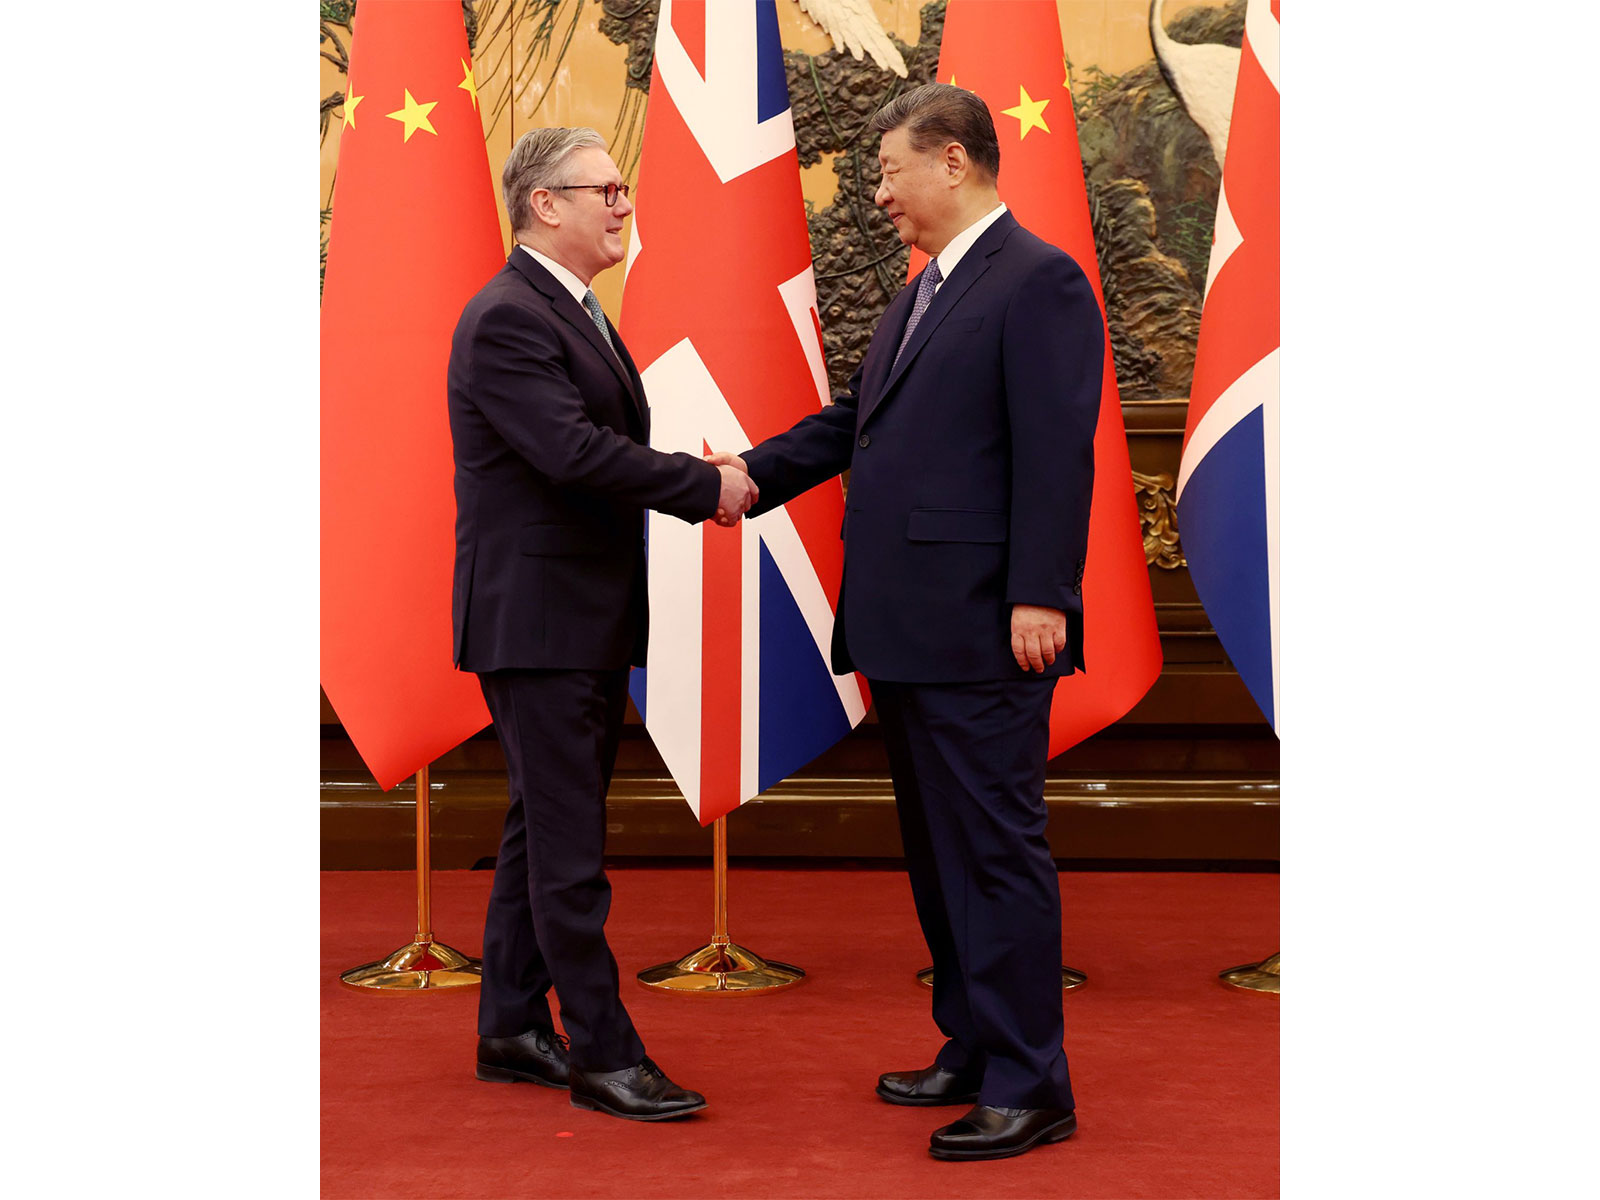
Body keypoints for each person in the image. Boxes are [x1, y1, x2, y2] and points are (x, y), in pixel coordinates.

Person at [711, 83, 1101, 1161]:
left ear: (954, 164)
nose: (876, 193)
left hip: (987, 624)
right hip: (907, 626)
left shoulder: (1039, 280)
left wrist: (1041, 591)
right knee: (939, 855)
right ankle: (971, 1046)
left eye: (887, 171)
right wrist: (751, 473)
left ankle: (1033, 1083)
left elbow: (1057, 448)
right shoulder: (925, 289)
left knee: (994, 854)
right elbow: (858, 424)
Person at [447, 127, 758, 1122]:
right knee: (570, 852)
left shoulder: (567, 309)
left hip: (574, 618)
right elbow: (573, 453)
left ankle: (509, 1027)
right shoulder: (507, 316)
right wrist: (703, 485)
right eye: (606, 190)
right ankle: (602, 1051)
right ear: (544, 203)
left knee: (540, 829)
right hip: (539, 624)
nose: (624, 205)